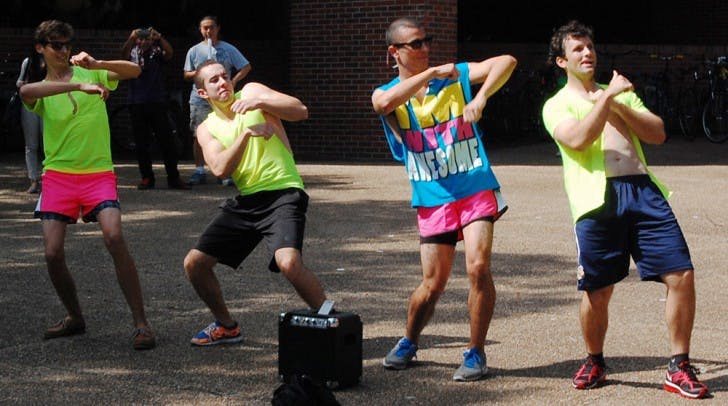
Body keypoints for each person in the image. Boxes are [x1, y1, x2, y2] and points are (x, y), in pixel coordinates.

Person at [542, 20, 708, 399]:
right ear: (561, 61)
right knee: (597, 290)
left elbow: (657, 132)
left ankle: (678, 365)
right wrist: (606, 99)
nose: (588, 54)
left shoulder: (618, 93)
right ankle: (595, 359)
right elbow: (580, 139)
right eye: (578, 50)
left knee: (680, 274)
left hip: (643, 191)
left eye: (590, 47)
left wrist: (617, 101)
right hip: (597, 199)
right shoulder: (557, 105)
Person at [371, 17, 516, 381]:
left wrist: (480, 98)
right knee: (432, 284)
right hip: (432, 197)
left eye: (426, 41)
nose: (425, 48)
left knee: (478, 267)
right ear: (395, 52)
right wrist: (432, 72)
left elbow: (507, 62)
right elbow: (383, 103)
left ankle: (475, 353)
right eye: (416, 44)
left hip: (474, 186)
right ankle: (409, 340)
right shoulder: (389, 91)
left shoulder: (457, 77)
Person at [19, 20, 156, 350]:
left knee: (114, 236)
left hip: (97, 174)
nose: (64, 50)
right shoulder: (43, 87)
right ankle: (75, 317)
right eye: (56, 45)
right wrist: (77, 88)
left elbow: (134, 71)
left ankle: (141, 323)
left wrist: (97, 66)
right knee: (52, 253)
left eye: (68, 44)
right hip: (58, 177)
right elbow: (26, 92)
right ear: (40, 48)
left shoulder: (90, 72)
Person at [183, 60, 327, 346]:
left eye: (225, 76)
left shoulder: (251, 92)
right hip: (248, 200)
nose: (223, 82)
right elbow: (220, 169)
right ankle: (226, 327)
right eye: (214, 80)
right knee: (195, 264)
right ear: (203, 94)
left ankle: (331, 320)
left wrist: (260, 102)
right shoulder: (206, 128)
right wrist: (246, 134)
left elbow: (300, 111)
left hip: (284, 191)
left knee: (288, 263)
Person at [183, 15, 251, 186]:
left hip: (223, 100)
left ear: (218, 28)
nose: (208, 31)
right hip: (200, 100)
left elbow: (246, 66)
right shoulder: (194, 51)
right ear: (200, 30)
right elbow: (186, 74)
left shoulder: (228, 49)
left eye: (211, 27)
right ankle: (199, 170)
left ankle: (226, 173)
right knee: (198, 135)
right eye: (204, 28)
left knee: (226, 132)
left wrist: (233, 81)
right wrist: (201, 71)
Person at [121, 26, 189, 190]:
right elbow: (122, 56)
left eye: (147, 38)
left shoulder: (156, 52)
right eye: (140, 38)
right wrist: (131, 38)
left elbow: (170, 53)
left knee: (167, 141)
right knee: (141, 143)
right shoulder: (132, 54)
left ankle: (174, 177)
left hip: (157, 101)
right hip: (136, 102)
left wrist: (159, 37)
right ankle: (146, 177)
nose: (144, 41)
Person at [16, 54, 45, 193]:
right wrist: (24, 85)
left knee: (49, 144)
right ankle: (33, 180)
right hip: (30, 104)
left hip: (49, 104)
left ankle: (48, 180)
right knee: (31, 145)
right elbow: (19, 81)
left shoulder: (56, 61)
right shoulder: (28, 61)